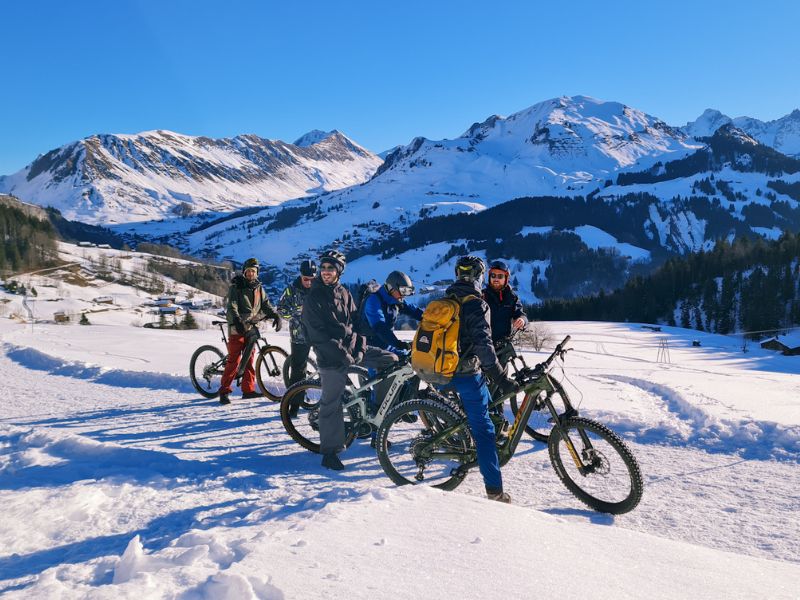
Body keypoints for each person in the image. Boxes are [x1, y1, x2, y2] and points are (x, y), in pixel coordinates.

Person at [301, 250, 397, 471]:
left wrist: (361, 348)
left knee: (391, 361)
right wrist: (346, 356)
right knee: (331, 401)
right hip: (330, 356)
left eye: (331, 268)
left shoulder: (344, 293)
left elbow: (357, 324)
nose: (326, 272)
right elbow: (319, 336)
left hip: (351, 350)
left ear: (339, 272)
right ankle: (330, 452)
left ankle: (376, 415)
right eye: (324, 268)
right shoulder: (313, 298)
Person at [446, 255, 517, 502]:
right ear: (479, 276)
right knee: (484, 432)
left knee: (486, 405)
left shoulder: (447, 298)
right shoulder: (477, 303)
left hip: (444, 370)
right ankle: (495, 492)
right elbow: (484, 347)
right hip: (466, 372)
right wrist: (500, 377)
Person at [218, 258, 282, 405]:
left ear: (257, 273)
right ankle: (224, 391)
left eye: (253, 271)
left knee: (249, 359)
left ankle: (248, 390)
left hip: (251, 327)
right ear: (244, 272)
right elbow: (231, 306)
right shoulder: (237, 286)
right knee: (234, 360)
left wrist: (274, 315)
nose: (250, 274)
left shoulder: (259, 287)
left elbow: (265, 304)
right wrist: (237, 320)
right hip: (237, 327)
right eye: (248, 271)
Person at [277, 259, 316, 402]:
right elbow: (281, 310)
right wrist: (295, 312)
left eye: (312, 279)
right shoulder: (291, 290)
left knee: (329, 364)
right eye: (306, 279)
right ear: (300, 276)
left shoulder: (320, 288)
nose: (309, 282)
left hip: (318, 333)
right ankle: (294, 404)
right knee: (298, 371)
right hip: (299, 335)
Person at [361, 270, 424, 353]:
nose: (404, 295)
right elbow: (380, 327)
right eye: (403, 291)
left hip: (387, 343)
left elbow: (413, 311)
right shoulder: (373, 300)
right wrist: (398, 344)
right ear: (392, 288)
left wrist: (430, 318)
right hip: (369, 346)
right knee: (398, 360)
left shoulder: (396, 300)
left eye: (407, 291)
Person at [483, 260, 528, 347]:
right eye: (493, 275)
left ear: (506, 278)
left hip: (503, 345)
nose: (496, 279)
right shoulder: (482, 296)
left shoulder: (512, 297)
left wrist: (522, 320)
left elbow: (521, 315)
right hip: (483, 346)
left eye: (500, 276)